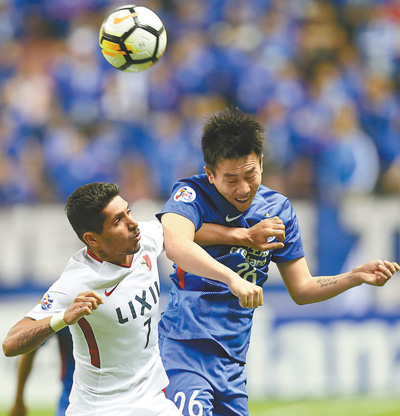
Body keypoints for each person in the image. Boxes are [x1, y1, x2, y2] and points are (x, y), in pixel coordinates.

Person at [156, 106, 400, 416]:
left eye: (250, 175)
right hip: (184, 350)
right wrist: (236, 265)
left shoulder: (278, 210)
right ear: (210, 174)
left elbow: (303, 288)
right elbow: (175, 243)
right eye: (230, 179)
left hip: (232, 364)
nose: (243, 188)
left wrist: (354, 276)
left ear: (260, 162)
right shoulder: (191, 194)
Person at [2, 182, 262, 416]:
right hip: (101, 409)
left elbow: (181, 232)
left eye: (128, 212)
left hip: (152, 401)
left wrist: (244, 236)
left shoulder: (144, 239)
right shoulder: (76, 282)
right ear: (92, 239)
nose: (133, 223)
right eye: (118, 220)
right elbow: (11, 343)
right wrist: (62, 318)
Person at [9, 327, 74, 416]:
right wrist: (18, 400)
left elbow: (29, 350)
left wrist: (18, 400)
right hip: (71, 395)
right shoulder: (65, 319)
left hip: (71, 395)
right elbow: (30, 346)